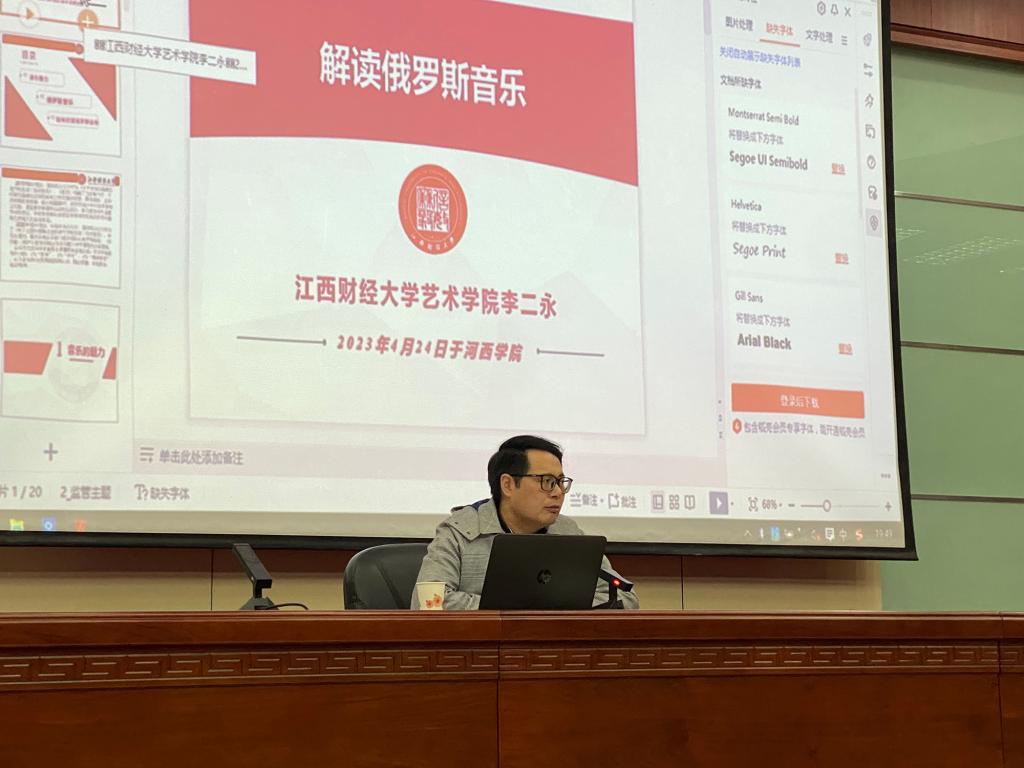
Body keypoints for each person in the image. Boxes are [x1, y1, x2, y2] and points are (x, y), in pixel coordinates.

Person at [412, 435, 640, 609]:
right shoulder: (460, 532)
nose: (558, 492)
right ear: (508, 485)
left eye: (561, 482)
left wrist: (548, 611)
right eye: (547, 481)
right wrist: (521, 609)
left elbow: (624, 597)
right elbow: (429, 602)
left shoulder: (567, 532)